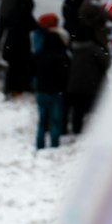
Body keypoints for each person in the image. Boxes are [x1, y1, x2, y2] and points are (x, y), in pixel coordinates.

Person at [33, 15, 70, 150]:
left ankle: (39, 144)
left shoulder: (39, 56)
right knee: (56, 120)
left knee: (42, 120)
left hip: (42, 91)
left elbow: (33, 71)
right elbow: (65, 75)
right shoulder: (62, 58)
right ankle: (54, 144)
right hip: (57, 91)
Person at [65, 34, 111, 135]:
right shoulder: (94, 49)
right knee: (96, 109)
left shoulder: (72, 49)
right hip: (91, 85)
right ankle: (95, 131)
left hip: (74, 86)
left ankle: (76, 130)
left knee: (78, 110)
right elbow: (106, 62)